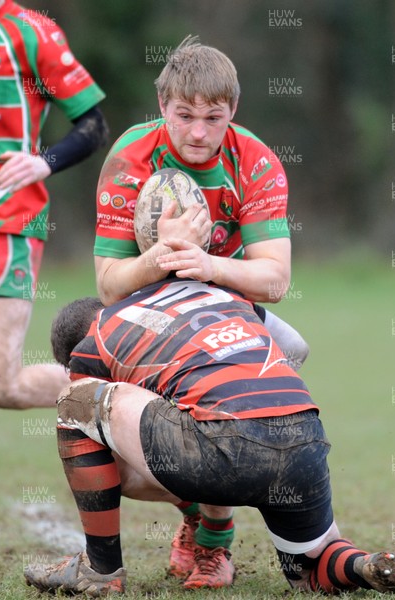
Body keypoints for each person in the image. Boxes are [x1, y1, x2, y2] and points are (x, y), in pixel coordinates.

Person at [24, 279, 395, 597]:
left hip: (222, 448)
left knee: (74, 401)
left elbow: (116, 453)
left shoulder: (96, 339)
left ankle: (100, 571)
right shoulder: (216, 292)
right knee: (310, 570)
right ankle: (364, 566)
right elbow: (297, 347)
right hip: (304, 439)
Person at [93, 35, 308, 369]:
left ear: (233, 110)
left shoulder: (257, 163)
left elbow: (276, 280)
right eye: (184, 115)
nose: (197, 133)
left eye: (212, 118)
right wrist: (164, 254)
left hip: (221, 299)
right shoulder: (130, 159)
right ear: (162, 104)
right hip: (145, 302)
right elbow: (109, 288)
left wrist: (212, 267)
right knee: (86, 340)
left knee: (293, 348)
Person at [0, 0, 108, 409]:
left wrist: (43, 162)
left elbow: (93, 125)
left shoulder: (30, 31)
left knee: (0, 384)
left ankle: (132, 390)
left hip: (6, 218)